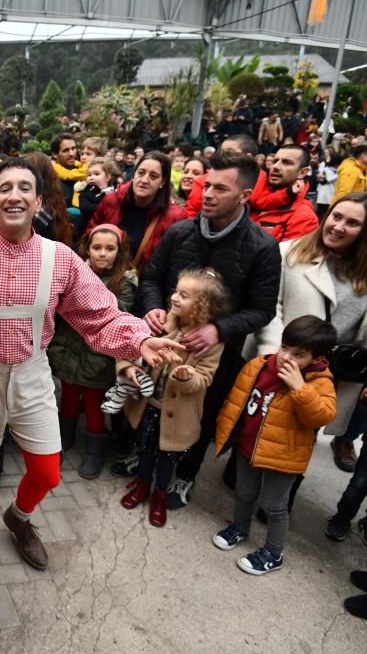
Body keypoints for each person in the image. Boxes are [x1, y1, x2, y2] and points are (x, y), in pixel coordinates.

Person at [0, 158, 184, 568]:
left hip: (33, 374)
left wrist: (141, 339)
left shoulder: (63, 260)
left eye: (24, 188)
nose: (14, 195)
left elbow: (101, 316)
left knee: (48, 473)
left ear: (38, 202)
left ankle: (18, 518)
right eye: (4, 189)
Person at [140, 151, 282, 510]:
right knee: (151, 402)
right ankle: (143, 466)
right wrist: (153, 307)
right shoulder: (180, 231)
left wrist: (218, 330)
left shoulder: (263, 247)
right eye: (207, 184)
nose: (208, 193)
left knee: (200, 415)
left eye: (221, 188)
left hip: (215, 354)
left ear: (245, 196)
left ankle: (185, 474)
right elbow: (152, 278)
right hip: (165, 342)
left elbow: (262, 310)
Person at [254, 192, 367, 478]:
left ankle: (281, 498)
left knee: (301, 439)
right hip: (279, 363)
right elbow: (270, 306)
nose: (339, 226)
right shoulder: (289, 253)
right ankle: (242, 485)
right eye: (336, 216)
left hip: (326, 377)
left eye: (353, 223)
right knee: (259, 428)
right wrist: (278, 356)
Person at [213, 316, 337, 575]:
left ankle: (273, 552)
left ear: (315, 358)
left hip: (283, 457)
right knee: (244, 492)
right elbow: (235, 400)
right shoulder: (259, 365)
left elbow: (322, 416)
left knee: (274, 506)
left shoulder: (320, 382)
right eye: (284, 347)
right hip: (248, 446)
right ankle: (240, 527)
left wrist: (300, 388)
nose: (286, 357)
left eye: (298, 354)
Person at [114, 269, 230, 528]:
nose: (174, 298)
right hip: (150, 406)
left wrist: (186, 376)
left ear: (201, 306)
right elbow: (130, 347)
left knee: (168, 458)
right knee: (145, 449)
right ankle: (142, 485)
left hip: (179, 416)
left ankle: (160, 494)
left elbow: (205, 378)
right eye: (176, 291)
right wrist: (129, 368)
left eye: (184, 295)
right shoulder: (162, 324)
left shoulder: (211, 343)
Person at [46, 223, 137, 479]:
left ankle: (94, 452)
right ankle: (64, 441)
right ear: (87, 248)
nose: (102, 254)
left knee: (95, 406)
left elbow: (119, 314)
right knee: (69, 399)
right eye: (97, 248)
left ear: (119, 252)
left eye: (109, 249)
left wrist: (82, 301)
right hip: (68, 352)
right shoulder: (73, 272)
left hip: (98, 359)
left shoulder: (124, 283)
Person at [86, 151, 186, 269]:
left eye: (153, 176)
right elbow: (89, 236)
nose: (144, 180)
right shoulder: (111, 201)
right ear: (134, 175)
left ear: (163, 182)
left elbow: (172, 262)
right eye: (141, 173)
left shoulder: (175, 217)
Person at [252, 145, 319, 242]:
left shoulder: (304, 217)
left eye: (287, 163)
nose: (275, 166)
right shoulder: (251, 192)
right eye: (275, 161)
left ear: (302, 173)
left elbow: (287, 256)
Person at [73, 156, 120, 239]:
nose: (92, 177)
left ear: (108, 177)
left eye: (97, 174)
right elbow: (86, 209)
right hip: (86, 231)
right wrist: (105, 204)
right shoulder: (85, 193)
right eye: (89, 174)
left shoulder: (116, 191)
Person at [51, 132, 85, 206]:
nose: (71, 154)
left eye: (73, 148)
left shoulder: (85, 170)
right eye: (66, 150)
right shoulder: (50, 179)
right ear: (55, 154)